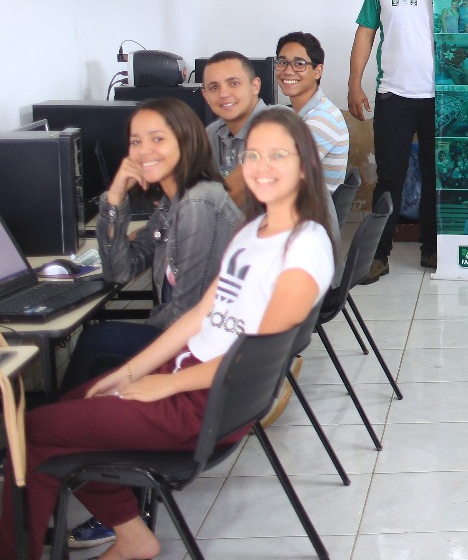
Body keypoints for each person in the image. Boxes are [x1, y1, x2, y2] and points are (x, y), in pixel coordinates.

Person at [0, 108, 335, 560]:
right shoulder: (254, 228)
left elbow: (252, 360)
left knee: (31, 431)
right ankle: (132, 537)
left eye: (279, 154)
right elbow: (201, 312)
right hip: (191, 377)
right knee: (64, 415)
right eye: (253, 155)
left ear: (307, 162)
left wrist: (167, 383)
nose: (262, 166)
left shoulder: (303, 249)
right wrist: (135, 369)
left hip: (206, 405)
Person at [58, 99, 242, 551]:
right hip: (187, 337)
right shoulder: (173, 200)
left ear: (187, 140)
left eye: (157, 139)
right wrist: (115, 199)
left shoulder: (199, 203)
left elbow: (186, 311)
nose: (143, 151)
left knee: (99, 340)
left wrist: (138, 361)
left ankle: (87, 462)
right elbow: (121, 272)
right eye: (135, 142)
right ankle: (83, 458)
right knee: (101, 341)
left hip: (196, 348)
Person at [348, 0, 468, 283]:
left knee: (438, 176)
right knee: (389, 178)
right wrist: (354, 84)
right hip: (394, 95)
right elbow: (365, 35)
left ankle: (432, 249)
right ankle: (378, 254)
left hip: (441, 97)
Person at [275, 31, 349, 193]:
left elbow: (282, 176)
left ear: (317, 71)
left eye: (299, 64)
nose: (288, 71)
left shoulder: (322, 119)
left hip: (309, 213)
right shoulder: (299, 113)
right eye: (282, 62)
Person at [202, 50, 270, 210]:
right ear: (205, 96)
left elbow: (230, 198)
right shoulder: (212, 133)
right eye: (214, 87)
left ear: (255, 86)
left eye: (234, 83)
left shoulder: (279, 124)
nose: (223, 94)